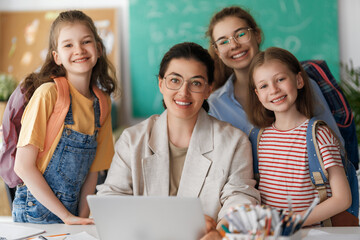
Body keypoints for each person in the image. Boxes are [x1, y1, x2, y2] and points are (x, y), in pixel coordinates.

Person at [96, 42, 260, 239]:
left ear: (208, 90)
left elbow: (241, 200)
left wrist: (219, 232)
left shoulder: (234, 142)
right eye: (175, 80)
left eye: (196, 83)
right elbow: (111, 199)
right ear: (161, 83)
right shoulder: (132, 139)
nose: (184, 92)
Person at [12, 10, 117, 224]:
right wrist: (67, 216)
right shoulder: (48, 94)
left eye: (86, 41)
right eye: (68, 45)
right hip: (35, 213)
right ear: (57, 56)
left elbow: (94, 172)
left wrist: (80, 218)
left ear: (98, 48)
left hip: (72, 215)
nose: (79, 50)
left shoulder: (103, 104)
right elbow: (23, 166)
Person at [205, 6, 343, 144]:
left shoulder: (297, 84)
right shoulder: (215, 105)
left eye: (241, 34)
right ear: (217, 52)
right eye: (223, 42)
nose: (234, 45)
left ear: (257, 35)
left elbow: (336, 147)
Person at [247, 47, 351, 226]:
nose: (273, 90)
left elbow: (343, 199)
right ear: (258, 94)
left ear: (299, 81)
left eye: (280, 79)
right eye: (264, 85)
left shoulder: (319, 135)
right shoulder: (258, 138)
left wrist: (294, 221)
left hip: (314, 234)